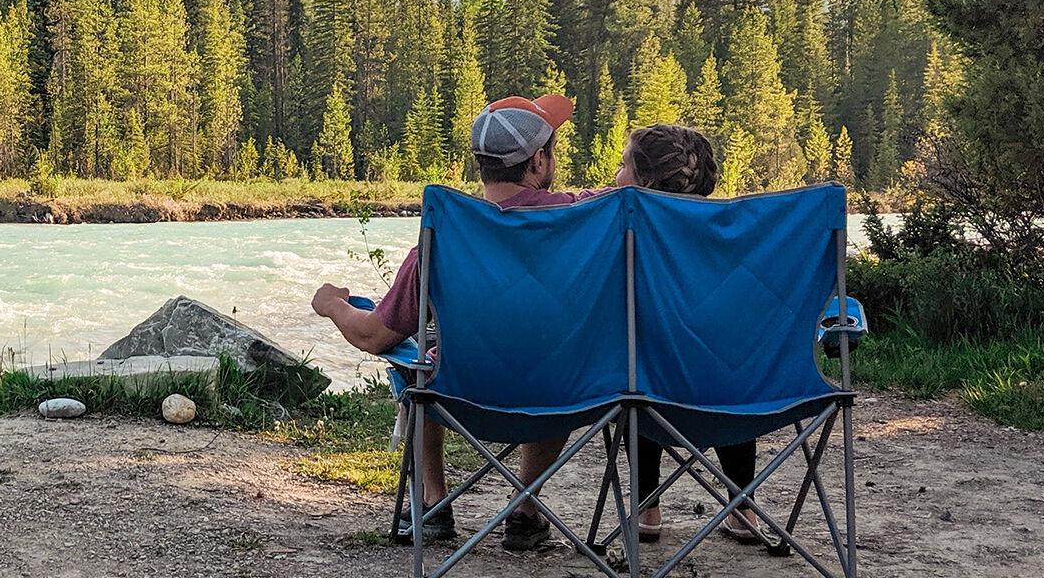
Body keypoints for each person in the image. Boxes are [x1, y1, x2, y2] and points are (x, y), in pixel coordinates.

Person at [311, 94, 606, 551]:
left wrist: (331, 304)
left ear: (480, 165)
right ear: (540, 160)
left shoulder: (443, 235)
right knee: (553, 358)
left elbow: (374, 335)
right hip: (562, 397)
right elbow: (620, 194)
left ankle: (433, 502)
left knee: (418, 362)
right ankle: (525, 511)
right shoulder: (586, 221)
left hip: (461, 396)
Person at [612, 123, 760, 544]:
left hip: (652, 393)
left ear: (646, 181)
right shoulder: (740, 234)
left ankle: (647, 506)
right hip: (742, 393)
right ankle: (743, 507)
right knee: (728, 361)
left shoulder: (626, 229)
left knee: (641, 363)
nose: (618, 174)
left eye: (624, 165)